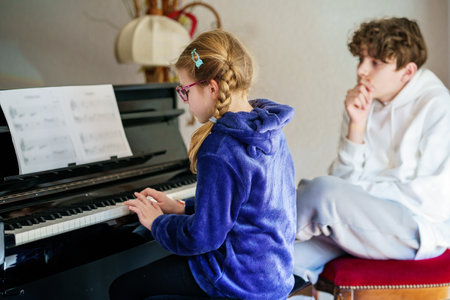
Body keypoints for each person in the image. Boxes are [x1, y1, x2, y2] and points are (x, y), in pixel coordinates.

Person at [109, 29, 297, 300]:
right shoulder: (269, 130)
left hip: (235, 281)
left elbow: (202, 239)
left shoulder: (220, 147)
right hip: (271, 275)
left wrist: (158, 222)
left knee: (124, 288)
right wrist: (183, 208)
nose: (185, 102)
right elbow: (248, 205)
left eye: (185, 91)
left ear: (211, 88)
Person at [293, 17, 450, 285]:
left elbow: (434, 201)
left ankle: (250, 231)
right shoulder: (364, 102)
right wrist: (357, 125)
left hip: (417, 231)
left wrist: (356, 192)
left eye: (375, 62)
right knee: (283, 261)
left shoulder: (438, 106)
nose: (362, 70)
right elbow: (344, 182)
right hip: (363, 223)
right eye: (361, 59)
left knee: (321, 192)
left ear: (408, 72)